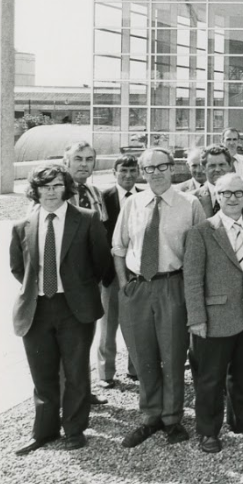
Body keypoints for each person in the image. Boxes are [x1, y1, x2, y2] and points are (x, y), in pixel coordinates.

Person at [9, 164, 112, 455]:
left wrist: (79, 289)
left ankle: (74, 430)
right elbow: (18, 268)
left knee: (76, 371)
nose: (51, 192)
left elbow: (101, 262)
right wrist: (40, 291)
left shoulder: (87, 219)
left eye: (56, 185)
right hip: (37, 308)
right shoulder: (22, 225)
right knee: (42, 374)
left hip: (74, 308)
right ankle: (44, 431)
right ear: (35, 190)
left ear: (66, 188)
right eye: (44, 186)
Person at [112, 147, 205, 448]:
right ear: (142, 172)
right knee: (142, 356)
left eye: (161, 166)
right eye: (149, 168)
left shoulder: (190, 204)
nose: (156, 173)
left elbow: (200, 251)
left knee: (173, 354)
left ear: (172, 168)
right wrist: (124, 284)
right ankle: (150, 416)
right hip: (138, 288)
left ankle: (172, 419)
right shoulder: (132, 204)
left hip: (172, 285)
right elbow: (119, 247)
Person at [183, 173, 243, 453]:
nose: (232, 198)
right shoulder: (201, 232)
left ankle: (242, 420)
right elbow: (193, 280)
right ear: (217, 197)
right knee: (210, 378)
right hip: (215, 318)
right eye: (226, 193)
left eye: (239, 193)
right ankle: (208, 431)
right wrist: (196, 318)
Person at [96, 154, 140, 388]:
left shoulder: (144, 197)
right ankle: (105, 373)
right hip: (110, 272)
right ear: (114, 173)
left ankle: (135, 368)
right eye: (123, 170)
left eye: (132, 170)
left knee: (136, 322)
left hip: (137, 271)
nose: (128, 175)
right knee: (108, 325)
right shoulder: (103, 198)